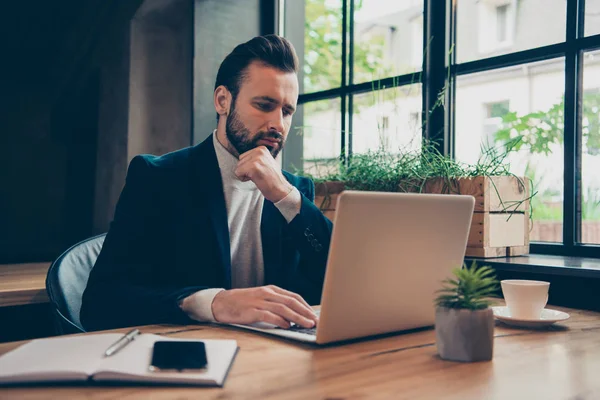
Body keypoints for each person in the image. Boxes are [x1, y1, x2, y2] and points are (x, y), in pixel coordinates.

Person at [80, 34, 333, 332]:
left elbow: (338, 278)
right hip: (189, 358)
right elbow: (100, 302)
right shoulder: (157, 178)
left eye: (287, 111)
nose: (278, 124)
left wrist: (284, 195)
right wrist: (212, 303)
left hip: (276, 360)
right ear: (223, 100)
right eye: (265, 105)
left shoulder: (295, 192)